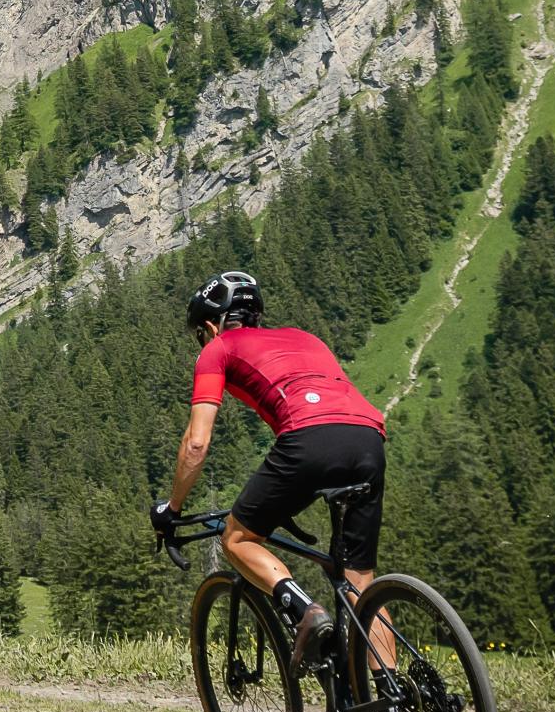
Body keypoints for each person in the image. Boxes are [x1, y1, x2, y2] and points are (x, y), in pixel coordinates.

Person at [149, 270, 391, 678]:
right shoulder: (306, 338)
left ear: (212, 325)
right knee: (359, 578)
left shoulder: (218, 349)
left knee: (237, 538)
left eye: (201, 333)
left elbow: (196, 443)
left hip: (307, 440)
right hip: (368, 437)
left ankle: (304, 610)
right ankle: (389, 702)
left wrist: (172, 508)